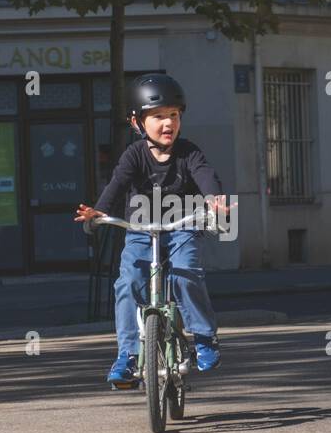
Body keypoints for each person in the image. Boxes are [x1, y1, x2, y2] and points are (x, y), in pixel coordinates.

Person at [73, 73, 224, 389]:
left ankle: (204, 337)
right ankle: (127, 355)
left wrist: (214, 200)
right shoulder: (134, 156)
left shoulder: (188, 153)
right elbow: (116, 185)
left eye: (174, 115)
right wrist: (99, 211)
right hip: (140, 231)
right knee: (128, 283)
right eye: (158, 116)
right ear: (137, 122)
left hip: (182, 228)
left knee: (185, 272)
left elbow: (206, 175)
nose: (168, 123)